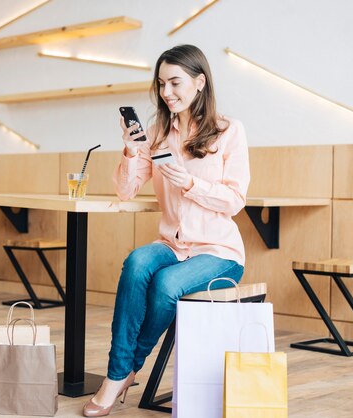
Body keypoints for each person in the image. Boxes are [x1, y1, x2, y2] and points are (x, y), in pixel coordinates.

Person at [82, 44, 250, 417]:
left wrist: (190, 184)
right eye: (161, 84)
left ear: (200, 82)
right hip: (172, 243)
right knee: (138, 261)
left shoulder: (228, 131)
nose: (166, 92)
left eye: (175, 82)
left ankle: (122, 372)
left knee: (167, 285)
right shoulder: (157, 133)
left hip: (218, 252)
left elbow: (235, 199)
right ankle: (121, 371)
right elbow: (126, 191)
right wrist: (130, 151)